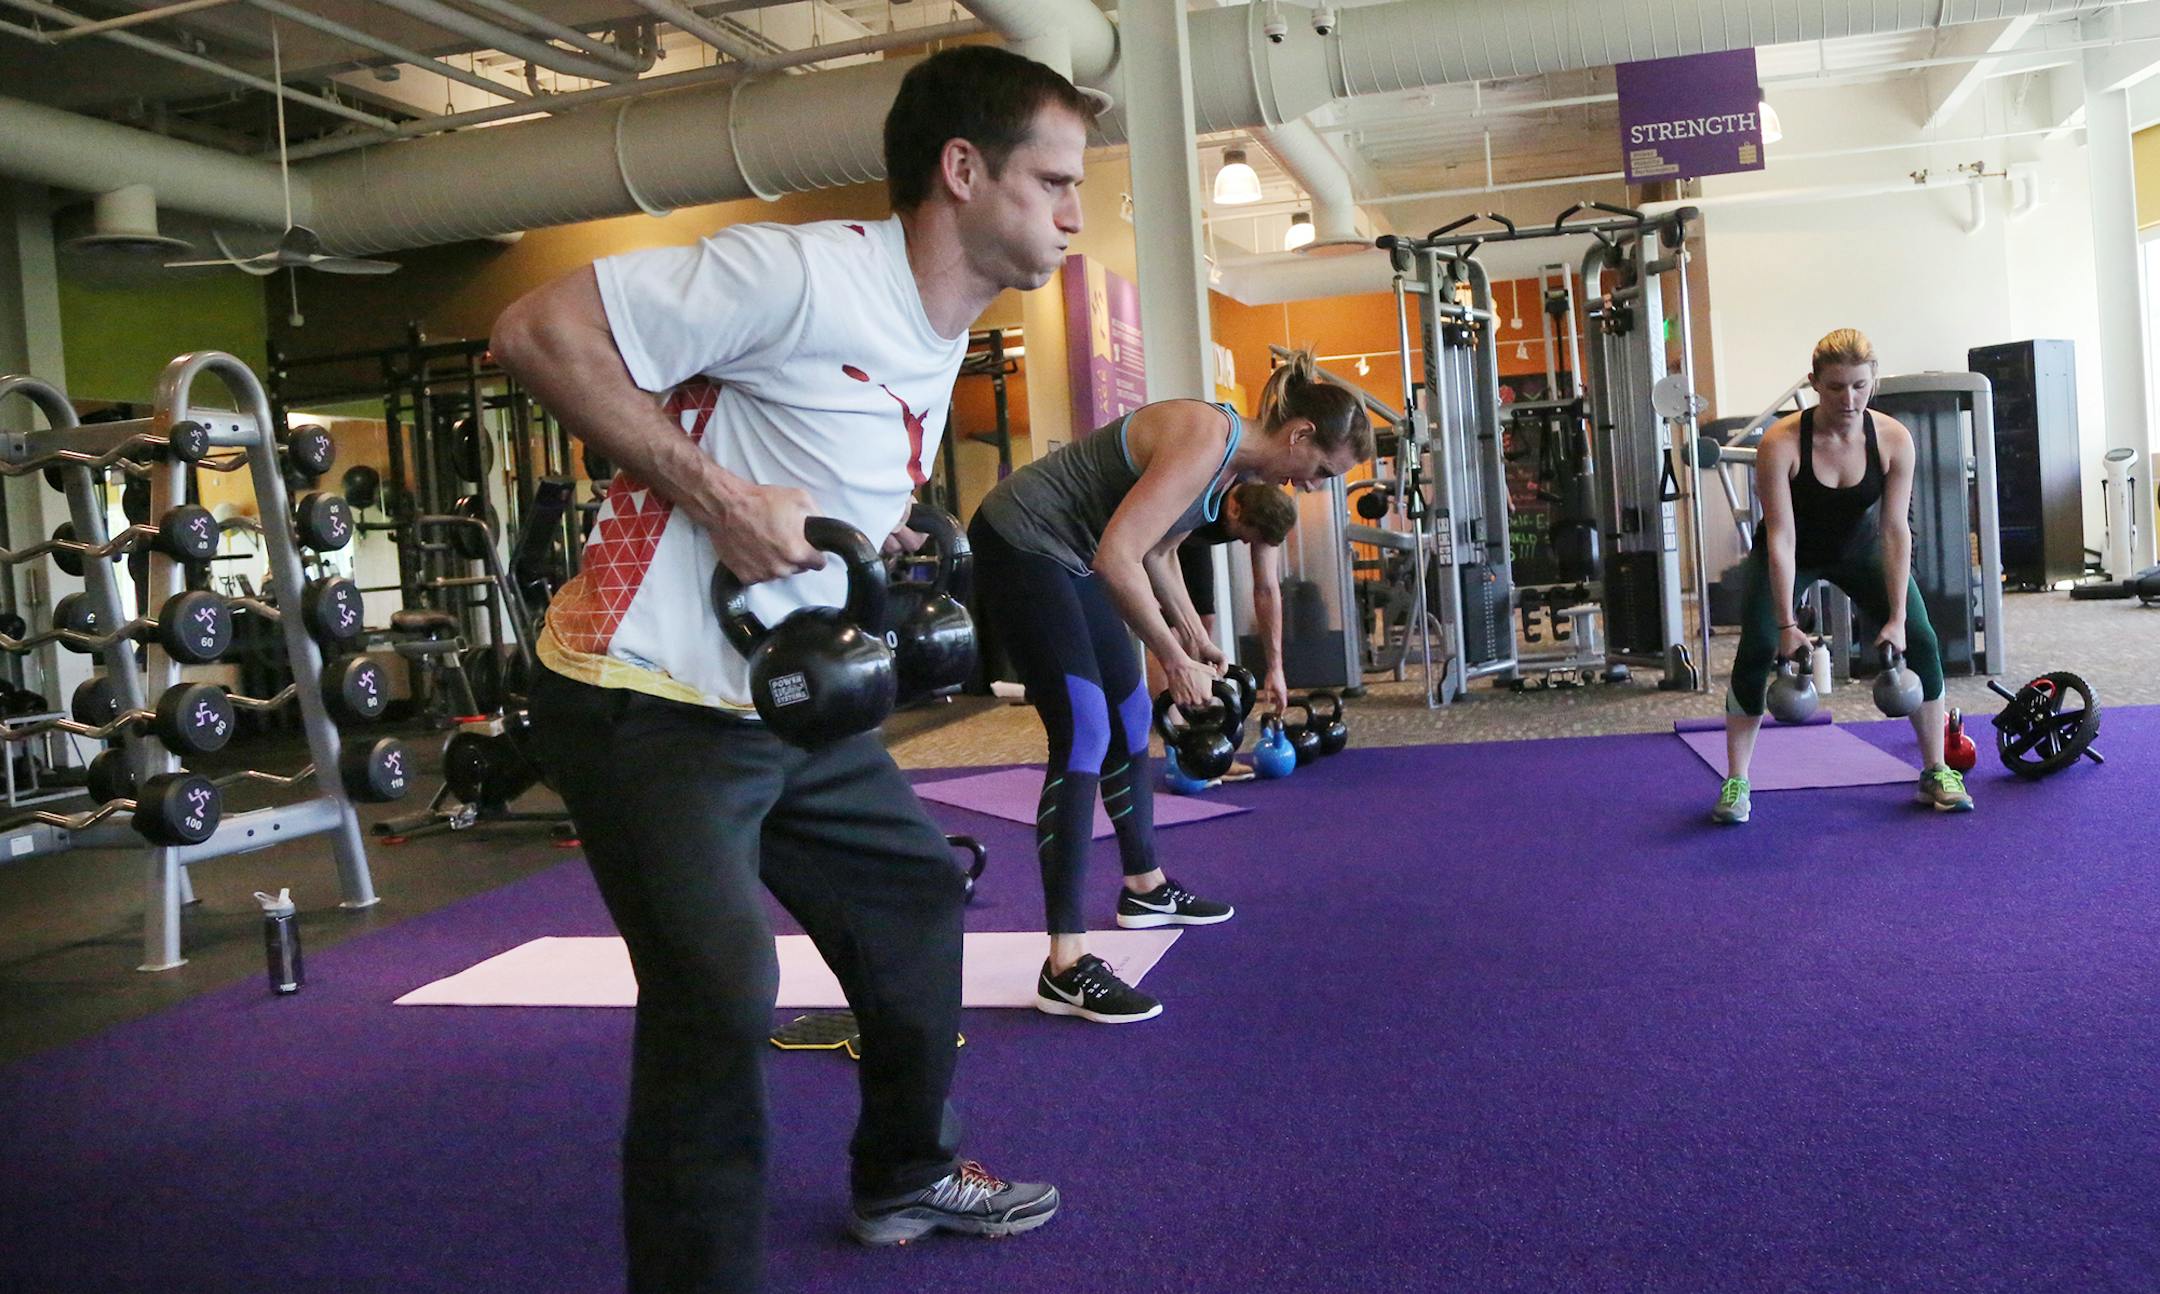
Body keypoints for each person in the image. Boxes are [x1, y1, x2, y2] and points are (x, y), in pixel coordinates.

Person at [489, 46, 1093, 1293]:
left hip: (785, 703)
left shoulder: (942, 325)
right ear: (963, 169)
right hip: (643, 697)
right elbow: (535, 329)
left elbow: (815, 436)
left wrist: (885, 525)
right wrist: (717, 497)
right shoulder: (799, 271)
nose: (1075, 213)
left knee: (914, 894)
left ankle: (905, 1171)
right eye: (1054, 181)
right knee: (719, 986)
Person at [969, 351, 1373, 1023]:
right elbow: (1118, 557)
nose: (1312, 487)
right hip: (1022, 539)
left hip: (1073, 553)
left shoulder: (1228, 471)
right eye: (1323, 472)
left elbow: (1157, 552)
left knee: (1131, 716)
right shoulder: (1205, 438)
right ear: (1300, 434)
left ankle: (1145, 886)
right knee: (1085, 728)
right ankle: (1065, 965)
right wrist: (1172, 658)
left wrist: (1193, 638)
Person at [1715, 328, 1969, 825]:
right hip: (1793, 552)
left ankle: (1936, 770)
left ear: (1874, 381)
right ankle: (1737, 781)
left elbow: (1895, 530)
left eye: (1859, 386)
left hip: (1861, 550)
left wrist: (1897, 618)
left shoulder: (1893, 438)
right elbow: (1781, 537)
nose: (1848, 400)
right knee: (1758, 646)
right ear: (1814, 383)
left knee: (1921, 638)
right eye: (1835, 387)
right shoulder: (1781, 443)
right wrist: (1787, 625)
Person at [1169, 482, 1300, 780]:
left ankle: (1205, 746)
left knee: (1204, 621)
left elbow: (1266, 589)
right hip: (1157, 531)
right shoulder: (1199, 488)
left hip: (1191, 539)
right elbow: (1155, 553)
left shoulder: (1262, 507)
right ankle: (1182, 749)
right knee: (1173, 634)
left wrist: (1275, 668)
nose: (1243, 544)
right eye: (1244, 536)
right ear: (1235, 509)